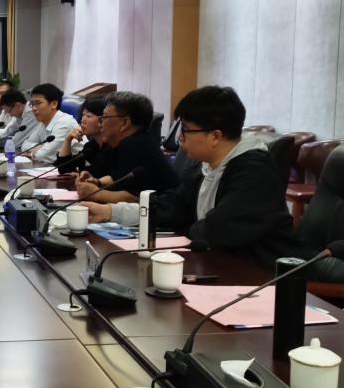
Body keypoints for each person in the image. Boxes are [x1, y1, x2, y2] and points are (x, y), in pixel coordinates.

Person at [83, 86, 304, 269]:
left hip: (263, 273)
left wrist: (185, 222)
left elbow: (215, 230)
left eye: (186, 130)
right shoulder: (203, 167)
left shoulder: (254, 173)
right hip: (218, 265)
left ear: (215, 136)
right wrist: (109, 211)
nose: (180, 139)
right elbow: (171, 207)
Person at [75, 91, 178, 203]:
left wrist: (95, 193)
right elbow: (118, 177)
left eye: (104, 117)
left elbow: (134, 198)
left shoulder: (134, 146)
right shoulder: (131, 142)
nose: (101, 123)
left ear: (125, 123)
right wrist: (97, 182)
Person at [18, 83, 77, 164]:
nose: (34, 108)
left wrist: (32, 153)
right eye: (32, 104)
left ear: (54, 104)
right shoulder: (43, 122)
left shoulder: (65, 123)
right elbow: (24, 145)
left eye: (38, 103)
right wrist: (41, 148)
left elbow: (43, 156)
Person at [54, 95, 111, 175]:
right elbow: (64, 169)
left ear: (103, 119)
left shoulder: (112, 148)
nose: (82, 120)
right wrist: (68, 139)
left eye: (88, 116)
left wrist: (80, 173)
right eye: (83, 115)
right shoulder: (91, 146)